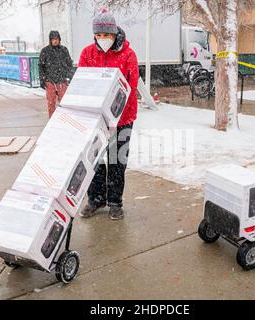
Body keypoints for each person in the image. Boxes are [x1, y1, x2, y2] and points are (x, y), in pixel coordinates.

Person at [78, 9, 139, 221]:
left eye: (107, 35)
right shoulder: (87, 53)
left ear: (114, 34)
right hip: (96, 119)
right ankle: (96, 199)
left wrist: (114, 115)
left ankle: (115, 202)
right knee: (94, 161)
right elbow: (83, 85)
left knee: (117, 161)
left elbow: (130, 89)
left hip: (122, 119)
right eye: (99, 35)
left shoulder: (128, 55)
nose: (103, 39)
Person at [39, 31, 74, 118]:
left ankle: (65, 119)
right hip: (49, 80)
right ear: (50, 40)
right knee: (51, 102)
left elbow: (69, 63)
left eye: (57, 39)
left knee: (64, 102)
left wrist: (69, 76)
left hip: (62, 80)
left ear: (59, 40)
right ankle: (52, 120)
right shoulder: (45, 51)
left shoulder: (64, 50)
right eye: (53, 39)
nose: (55, 41)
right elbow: (41, 66)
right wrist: (42, 79)